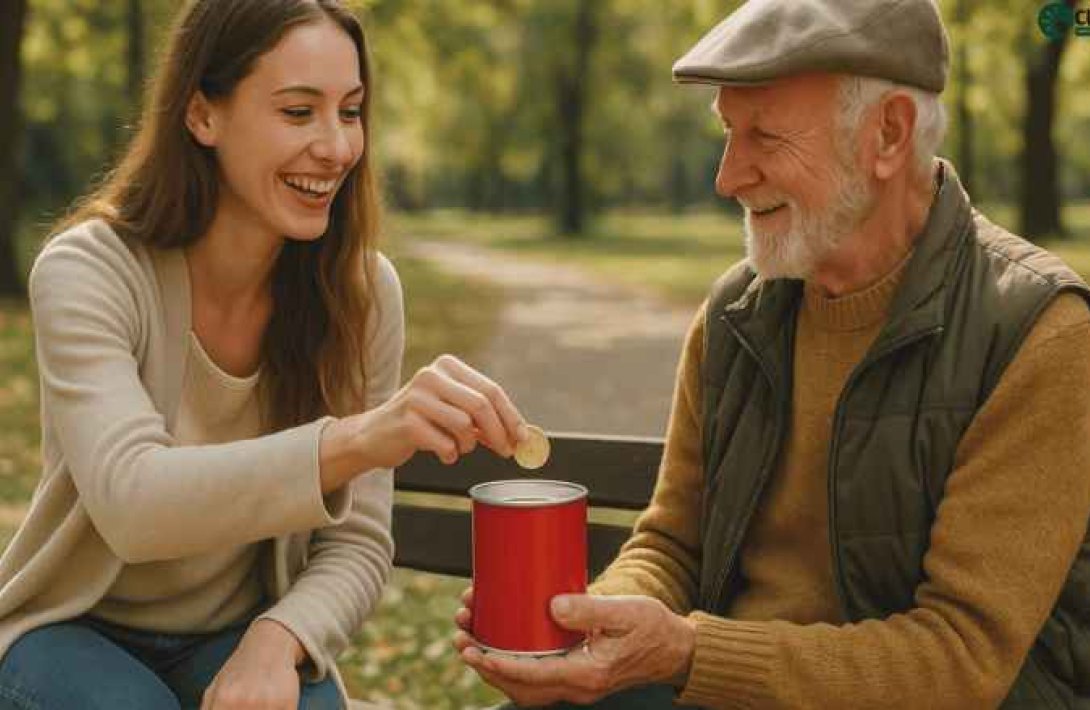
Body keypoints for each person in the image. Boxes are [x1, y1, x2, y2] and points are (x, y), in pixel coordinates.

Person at [456, 0, 1090, 707]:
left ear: (887, 134)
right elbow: (673, 545)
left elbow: (960, 660)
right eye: (729, 132)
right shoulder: (736, 314)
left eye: (765, 136)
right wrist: (593, 626)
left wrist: (693, 652)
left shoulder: (1038, 333)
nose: (728, 177)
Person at [0, 1, 529, 709]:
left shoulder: (362, 294)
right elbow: (133, 503)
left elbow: (359, 544)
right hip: (73, 630)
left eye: (350, 111)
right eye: (298, 111)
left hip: (238, 629)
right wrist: (361, 439)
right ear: (202, 115)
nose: (338, 147)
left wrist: (279, 638)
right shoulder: (88, 270)